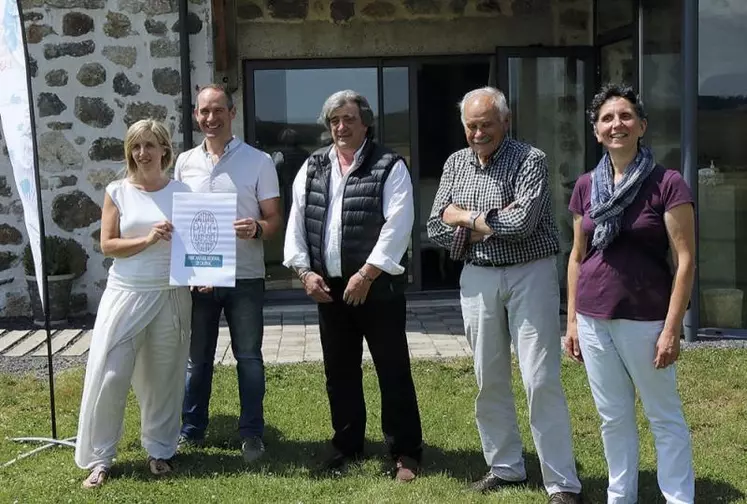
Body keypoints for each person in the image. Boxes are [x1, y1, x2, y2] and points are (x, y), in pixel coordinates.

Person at [427, 86, 583, 504]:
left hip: (529, 274)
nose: (479, 133)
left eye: (487, 124)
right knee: (488, 376)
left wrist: (465, 216)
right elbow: (435, 227)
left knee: (540, 378)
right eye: (471, 126)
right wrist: (488, 220)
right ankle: (505, 467)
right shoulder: (455, 163)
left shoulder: (530, 159)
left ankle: (562, 483)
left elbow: (522, 224)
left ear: (505, 122)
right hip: (477, 277)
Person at [565, 83, 696, 504]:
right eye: (607, 118)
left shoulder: (667, 183)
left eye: (625, 116)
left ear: (641, 126)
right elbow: (576, 256)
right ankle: (620, 496)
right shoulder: (586, 185)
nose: (616, 124)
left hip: (645, 318)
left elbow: (686, 260)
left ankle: (678, 497)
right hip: (591, 316)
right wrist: (570, 321)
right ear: (597, 132)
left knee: (663, 415)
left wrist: (672, 328)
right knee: (612, 416)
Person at [283, 90, 423, 482]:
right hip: (328, 288)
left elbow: (398, 225)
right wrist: (303, 272)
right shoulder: (313, 166)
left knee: (392, 370)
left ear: (366, 123)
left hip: (378, 288)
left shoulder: (389, 165)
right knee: (339, 371)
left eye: (348, 119)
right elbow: (297, 220)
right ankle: (347, 445)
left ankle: (406, 453)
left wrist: (367, 274)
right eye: (334, 121)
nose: (341, 128)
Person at [75, 119, 192, 488]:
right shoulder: (117, 191)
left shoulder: (182, 191)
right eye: (135, 146)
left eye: (149, 145)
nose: (142, 153)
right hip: (126, 293)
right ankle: (101, 457)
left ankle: (159, 450)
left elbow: (197, 245)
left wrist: (204, 274)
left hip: (170, 293)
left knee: (163, 377)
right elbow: (108, 246)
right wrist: (148, 239)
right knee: (111, 375)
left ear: (164, 150)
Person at [176, 84, 282, 462]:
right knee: (197, 359)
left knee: (249, 358)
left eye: (218, 110)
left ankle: (252, 434)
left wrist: (256, 228)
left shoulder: (258, 161)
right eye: (204, 111)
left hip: (246, 277)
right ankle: (192, 430)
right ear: (195, 115)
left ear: (232, 113)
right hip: (200, 278)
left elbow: (274, 221)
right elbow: (182, 222)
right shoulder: (184, 162)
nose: (210, 118)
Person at [271, 128, 310, 222]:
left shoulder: (280, 154)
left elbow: (275, 170)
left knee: (289, 213)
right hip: (304, 185)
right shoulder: (305, 153)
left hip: (287, 186)